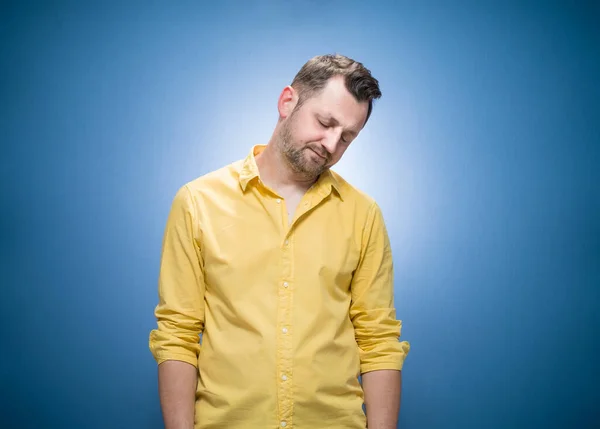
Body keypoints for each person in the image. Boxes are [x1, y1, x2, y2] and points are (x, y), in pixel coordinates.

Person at [149, 53, 410, 429]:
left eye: (347, 137)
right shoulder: (196, 202)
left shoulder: (364, 214)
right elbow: (177, 334)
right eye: (325, 122)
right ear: (288, 101)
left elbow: (379, 340)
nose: (331, 144)